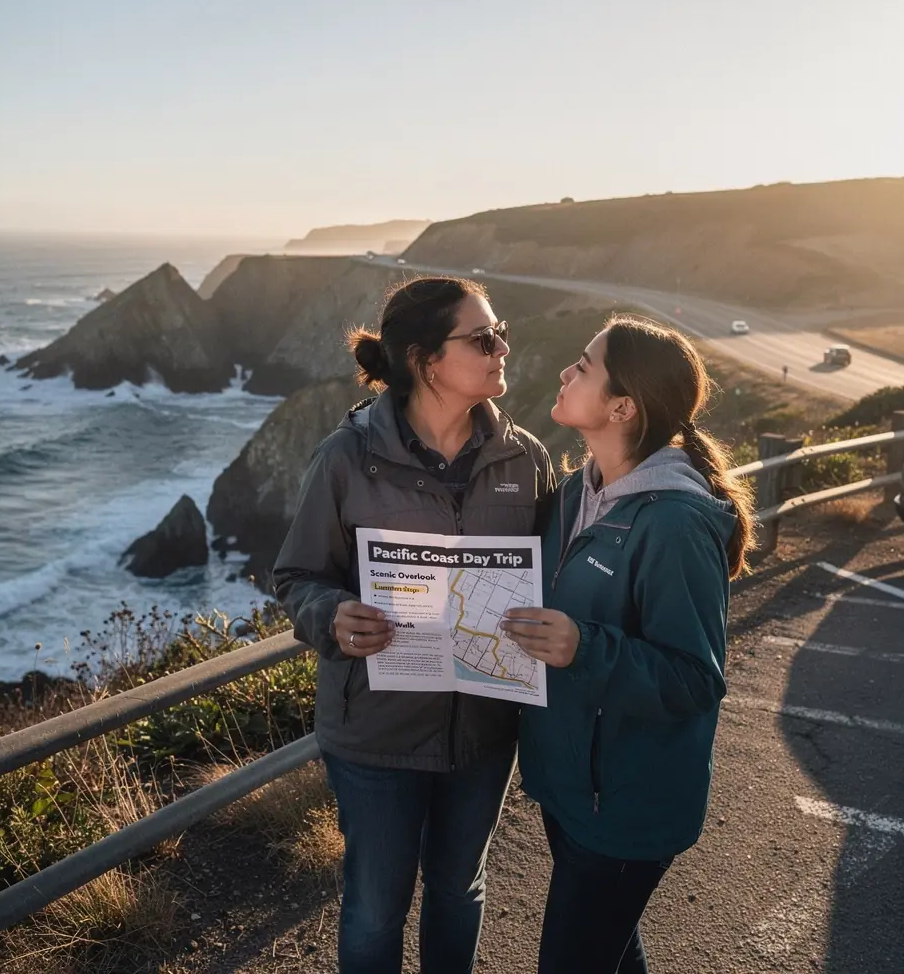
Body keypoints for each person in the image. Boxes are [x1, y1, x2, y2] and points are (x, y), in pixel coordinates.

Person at [273, 276, 556, 974]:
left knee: (460, 890)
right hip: (376, 736)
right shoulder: (346, 457)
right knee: (375, 909)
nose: (503, 348)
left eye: (501, 333)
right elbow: (297, 577)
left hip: (486, 729)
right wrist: (332, 616)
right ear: (426, 359)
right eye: (484, 339)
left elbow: (554, 577)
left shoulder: (526, 458)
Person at [500, 315, 755, 974]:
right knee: (611, 953)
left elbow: (695, 679)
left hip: (627, 808)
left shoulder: (673, 523)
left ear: (623, 407)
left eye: (584, 366)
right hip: (571, 789)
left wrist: (583, 647)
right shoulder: (576, 494)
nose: (565, 371)